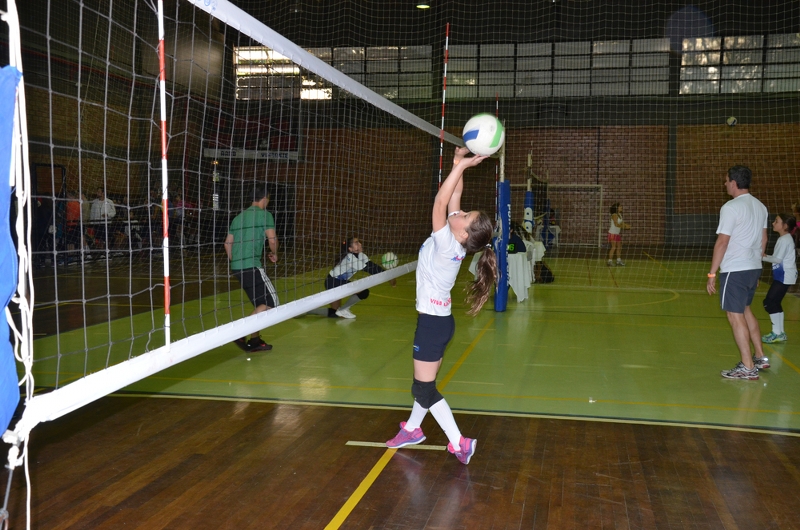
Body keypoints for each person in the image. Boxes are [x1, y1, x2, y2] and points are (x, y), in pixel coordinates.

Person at [385, 147, 496, 465]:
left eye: (465, 215)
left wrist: (461, 167)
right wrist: (458, 163)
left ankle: (459, 442)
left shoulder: (447, 242)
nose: (459, 212)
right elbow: (453, 196)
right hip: (440, 322)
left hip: (432, 325)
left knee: (423, 390)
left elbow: (439, 202)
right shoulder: (456, 237)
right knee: (426, 384)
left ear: (463, 232)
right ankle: (413, 429)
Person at [707, 165, 769, 380]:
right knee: (745, 310)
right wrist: (756, 265)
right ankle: (759, 357)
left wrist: (712, 273)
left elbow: (722, 242)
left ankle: (748, 366)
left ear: (734, 183)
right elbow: (764, 239)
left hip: (735, 269)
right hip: (752, 267)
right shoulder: (760, 206)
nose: (725, 184)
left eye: (726, 180)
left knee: (735, 315)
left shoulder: (731, 207)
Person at [224, 183, 279, 352]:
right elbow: (272, 239)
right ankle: (241, 332)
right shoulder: (264, 215)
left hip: (237, 268)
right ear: (265, 198)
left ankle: (255, 340)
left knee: (261, 304)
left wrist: (237, 261)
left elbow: (227, 243)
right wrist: (274, 253)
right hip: (252, 266)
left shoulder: (238, 217)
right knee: (272, 303)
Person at [319, 237, 396, 319]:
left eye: (359, 242)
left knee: (335, 313)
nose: (360, 244)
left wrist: (388, 275)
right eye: (356, 243)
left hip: (339, 282)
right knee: (363, 292)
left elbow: (372, 265)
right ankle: (344, 309)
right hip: (332, 282)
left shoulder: (361, 255)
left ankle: (308, 310)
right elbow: (369, 269)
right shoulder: (350, 257)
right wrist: (389, 277)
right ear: (350, 249)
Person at [761, 213, 797, 343]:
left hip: (784, 275)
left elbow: (777, 259)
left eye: (776, 221)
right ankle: (780, 333)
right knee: (775, 302)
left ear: (785, 225)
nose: (773, 223)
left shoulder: (784, 240)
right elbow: (777, 258)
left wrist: (760, 256)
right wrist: (764, 256)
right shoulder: (785, 238)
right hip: (784, 275)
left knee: (769, 302)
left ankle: (776, 333)